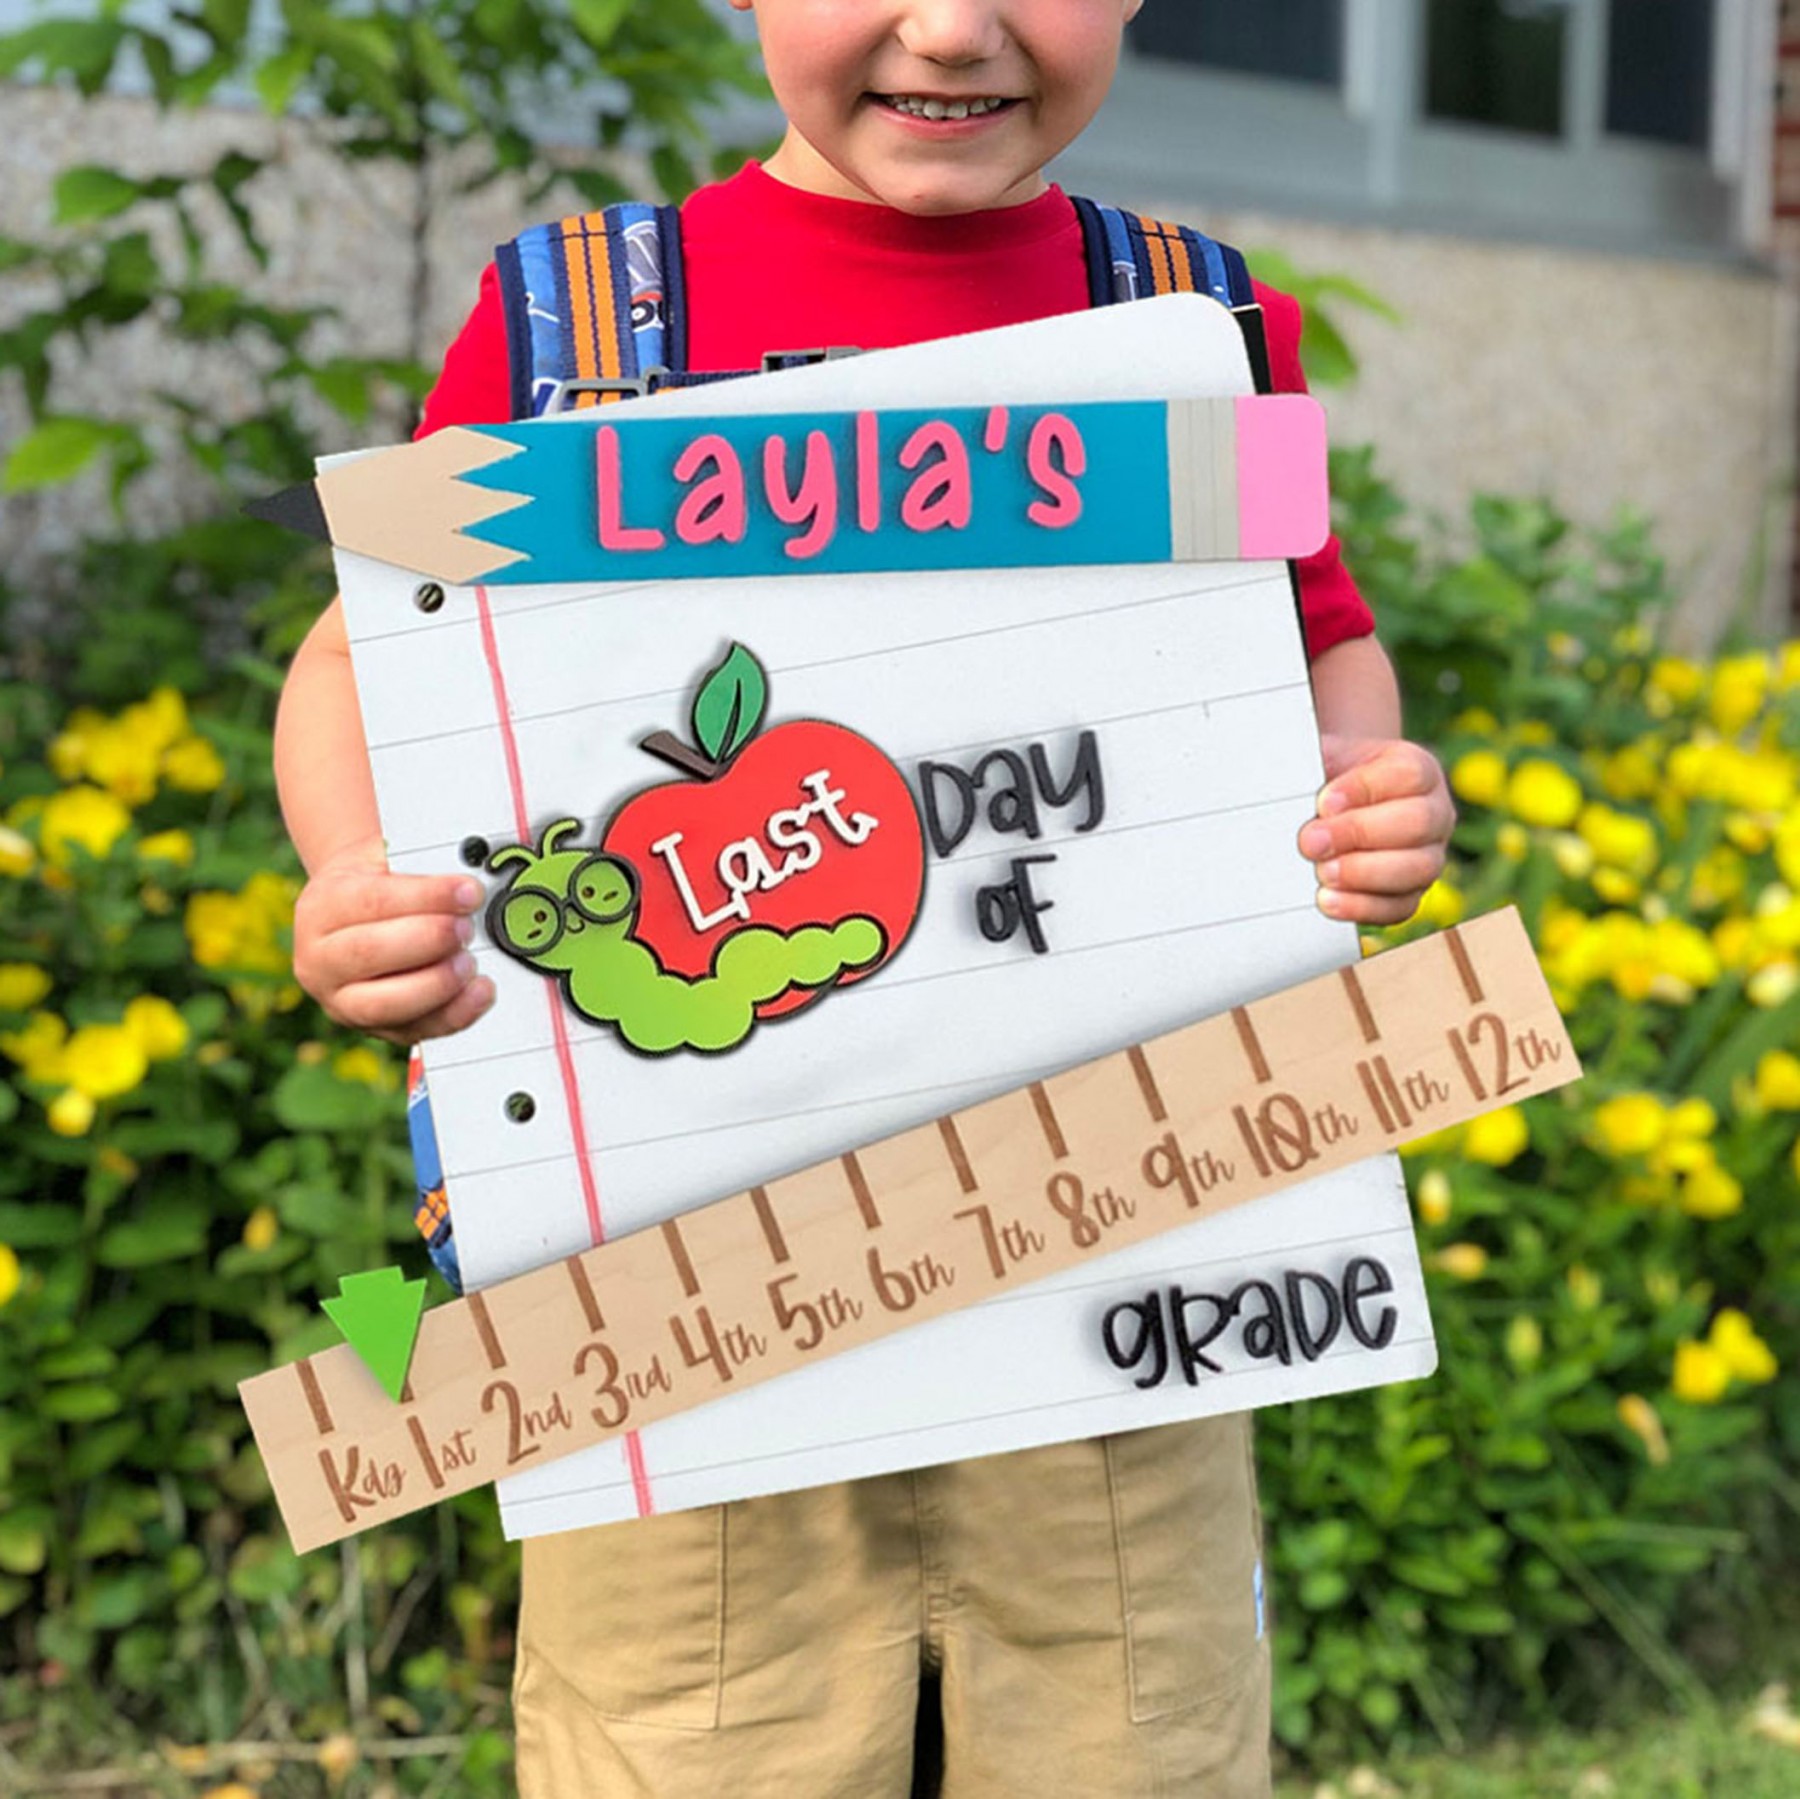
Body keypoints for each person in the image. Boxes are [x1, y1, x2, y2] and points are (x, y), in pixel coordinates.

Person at [274, 3, 1456, 1793]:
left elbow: (1317, 644)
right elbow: (364, 655)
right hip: (677, 1313)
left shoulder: (1190, 329)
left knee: (1127, 1744)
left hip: (1116, 1285)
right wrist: (357, 884)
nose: (956, 28)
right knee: (692, 1749)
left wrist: (1363, 790)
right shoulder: (573, 331)